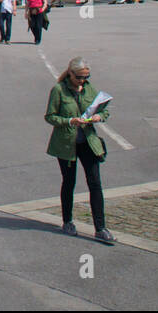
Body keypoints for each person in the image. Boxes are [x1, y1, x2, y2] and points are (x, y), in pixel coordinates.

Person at [46, 56, 113, 243]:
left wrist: (100, 116)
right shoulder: (59, 90)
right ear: (70, 74)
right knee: (69, 182)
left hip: (88, 142)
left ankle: (100, 227)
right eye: (79, 77)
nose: (83, 81)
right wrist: (69, 121)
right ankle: (67, 221)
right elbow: (50, 116)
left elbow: (103, 109)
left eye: (86, 77)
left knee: (95, 183)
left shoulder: (89, 88)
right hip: (66, 143)